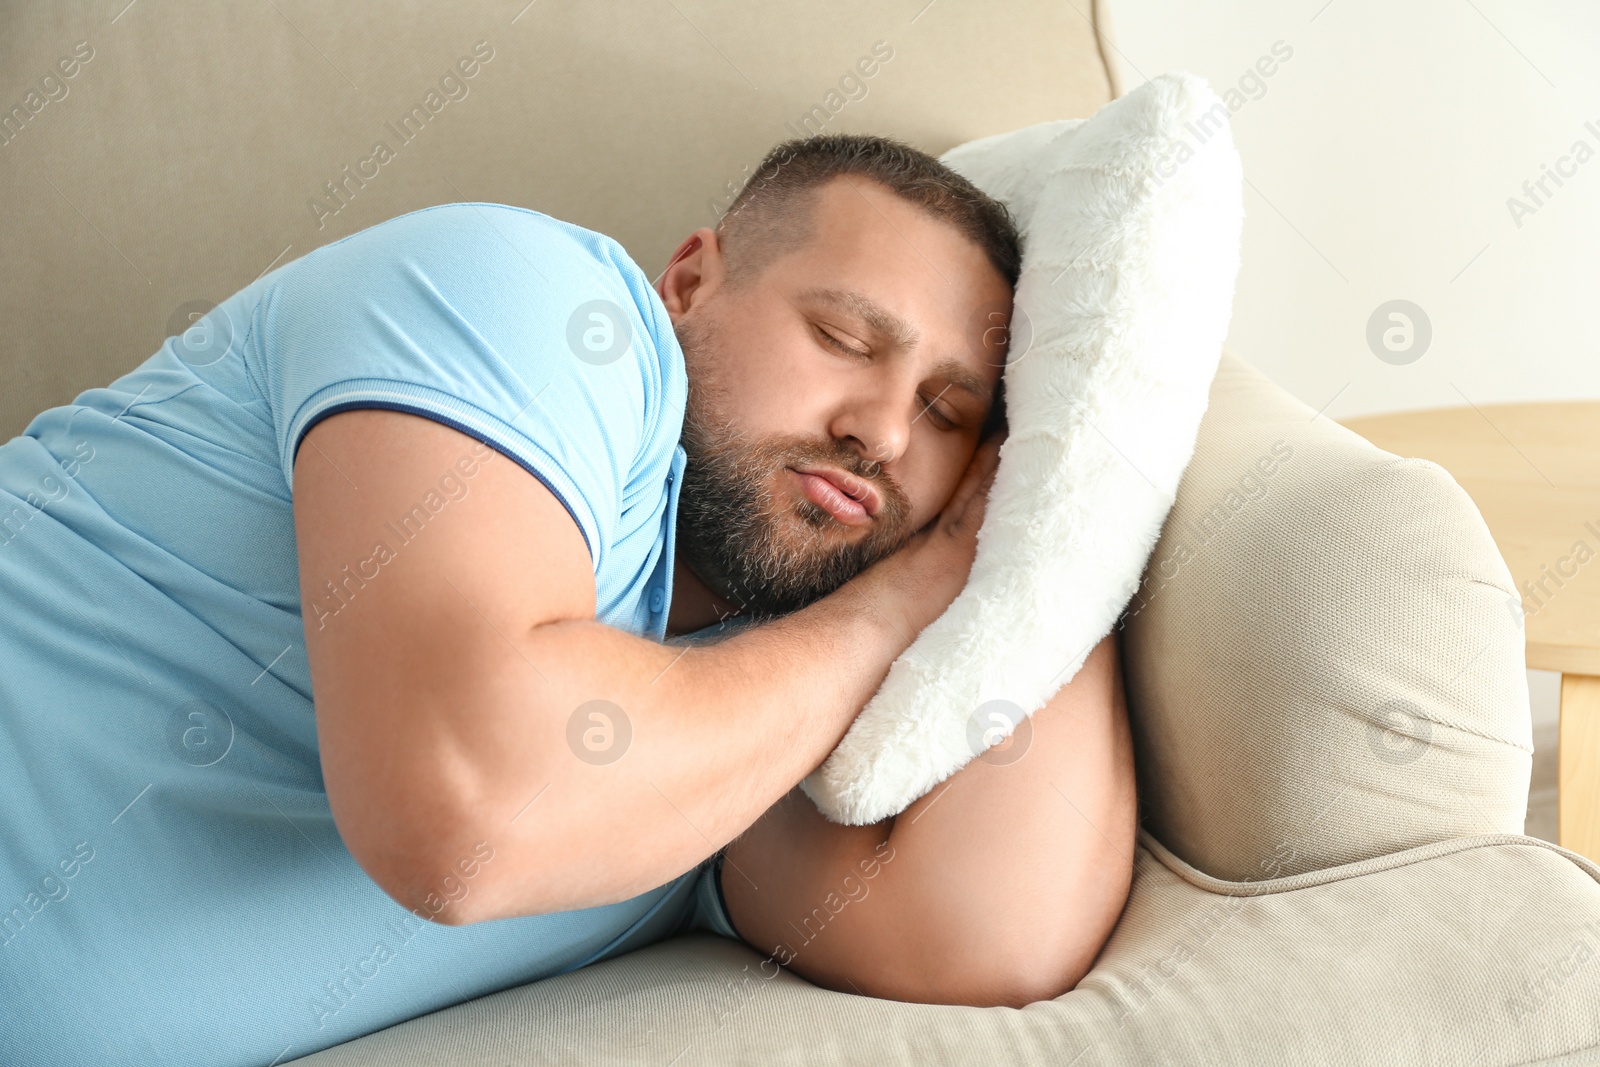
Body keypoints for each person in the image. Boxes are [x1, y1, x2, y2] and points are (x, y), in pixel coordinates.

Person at [0, 133, 1135, 1065]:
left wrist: (1044, 500)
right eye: (843, 338)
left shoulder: (752, 709)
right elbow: (467, 806)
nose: (881, 431)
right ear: (688, 281)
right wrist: (892, 609)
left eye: (947, 412)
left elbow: (987, 933)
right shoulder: (530, 304)